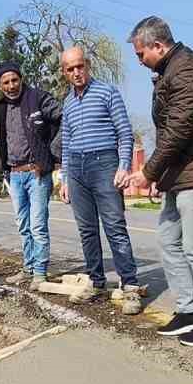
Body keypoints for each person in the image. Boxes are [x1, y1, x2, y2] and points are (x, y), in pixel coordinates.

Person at [124, 17, 193, 346]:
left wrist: (149, 172)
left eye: (141, 54)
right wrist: (164, 176)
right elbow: (170, 132)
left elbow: (179, 131)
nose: (139, 61)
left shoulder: (186, 70)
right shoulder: (170, 70)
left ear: (158, 46)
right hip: (181, 174)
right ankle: (188, 310)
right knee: (169, 241)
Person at [55, 46, 142, 310]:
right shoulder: (67, 103)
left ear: (88, 65)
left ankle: (130, 286)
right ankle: (96, 281)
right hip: (77, 170)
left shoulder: (107, 92)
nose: (76, 72)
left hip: (105, 163)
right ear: (64, 72)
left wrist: (123, 165)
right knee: (87, 230)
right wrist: (65, 179)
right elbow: (67, 143)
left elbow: (124, 132)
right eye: (70, 69)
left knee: (114, 226)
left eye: (80, 66)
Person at [0, 61, 60, 282]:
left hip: (37, 173)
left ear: (21, 80)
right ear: (0, 86)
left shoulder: (38, 98)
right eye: (6, 82)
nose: (11, 85)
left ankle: (40, 274)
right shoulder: (3, 107)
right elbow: (2, 135)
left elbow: (64, 119)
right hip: (14, 175)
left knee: (38, 226)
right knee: (24, 226)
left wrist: (54, 153)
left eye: (14, 80)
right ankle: (28, 268)